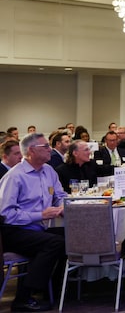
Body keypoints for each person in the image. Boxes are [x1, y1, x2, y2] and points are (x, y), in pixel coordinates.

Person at [0, 133, 66, 312]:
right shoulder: (15, 176)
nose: (49, 149)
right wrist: (39, 215)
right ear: (31, 151)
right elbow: (5, 214)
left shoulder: (49, 171)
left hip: (36, 229)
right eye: (45, 146)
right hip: (13, 230)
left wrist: (61, 206)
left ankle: (54, 289)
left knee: (72, 238)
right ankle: (22, 297)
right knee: (54, 243)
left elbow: (60, 195)